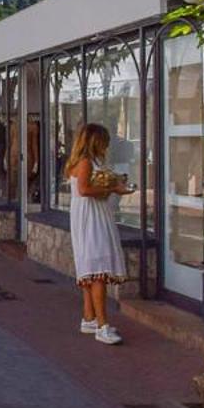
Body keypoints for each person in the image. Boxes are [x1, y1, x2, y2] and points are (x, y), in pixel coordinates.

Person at [66, 122, 131, 345]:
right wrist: (113, 188)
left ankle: (89, 317)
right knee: (97, 269)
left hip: (88, 215)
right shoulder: (85, 163)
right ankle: (102, 325)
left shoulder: (85, 162)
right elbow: (84, 190)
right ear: (96, 141)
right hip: (91, 217)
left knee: (89, 268)